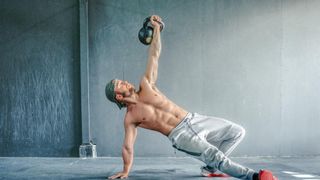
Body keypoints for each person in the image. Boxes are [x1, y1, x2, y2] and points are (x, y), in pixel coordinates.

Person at [105, 15, 277, 180]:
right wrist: (126, 170)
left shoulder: (146, 85)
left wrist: (157, 29)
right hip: (180, 135)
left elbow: (154, 55)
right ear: (118, 96)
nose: (126, 81)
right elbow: (128, 147)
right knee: (214, 155)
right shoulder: (131, 118)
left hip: (193, 119)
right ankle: (254, 176)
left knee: (237, 132)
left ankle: (210, 169)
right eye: (121, 84)